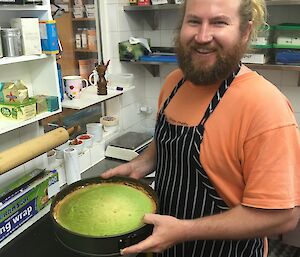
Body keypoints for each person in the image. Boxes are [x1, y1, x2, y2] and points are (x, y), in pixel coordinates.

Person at [101, 0, 300, 256]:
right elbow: (165, 146)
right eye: (194, 21)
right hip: (167, 247)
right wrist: (139, 164)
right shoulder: (175, 83)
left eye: (219, 22)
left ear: (245, 31)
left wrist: (184, 230)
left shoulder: (263, 106)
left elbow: (282, 217)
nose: (203, 36)